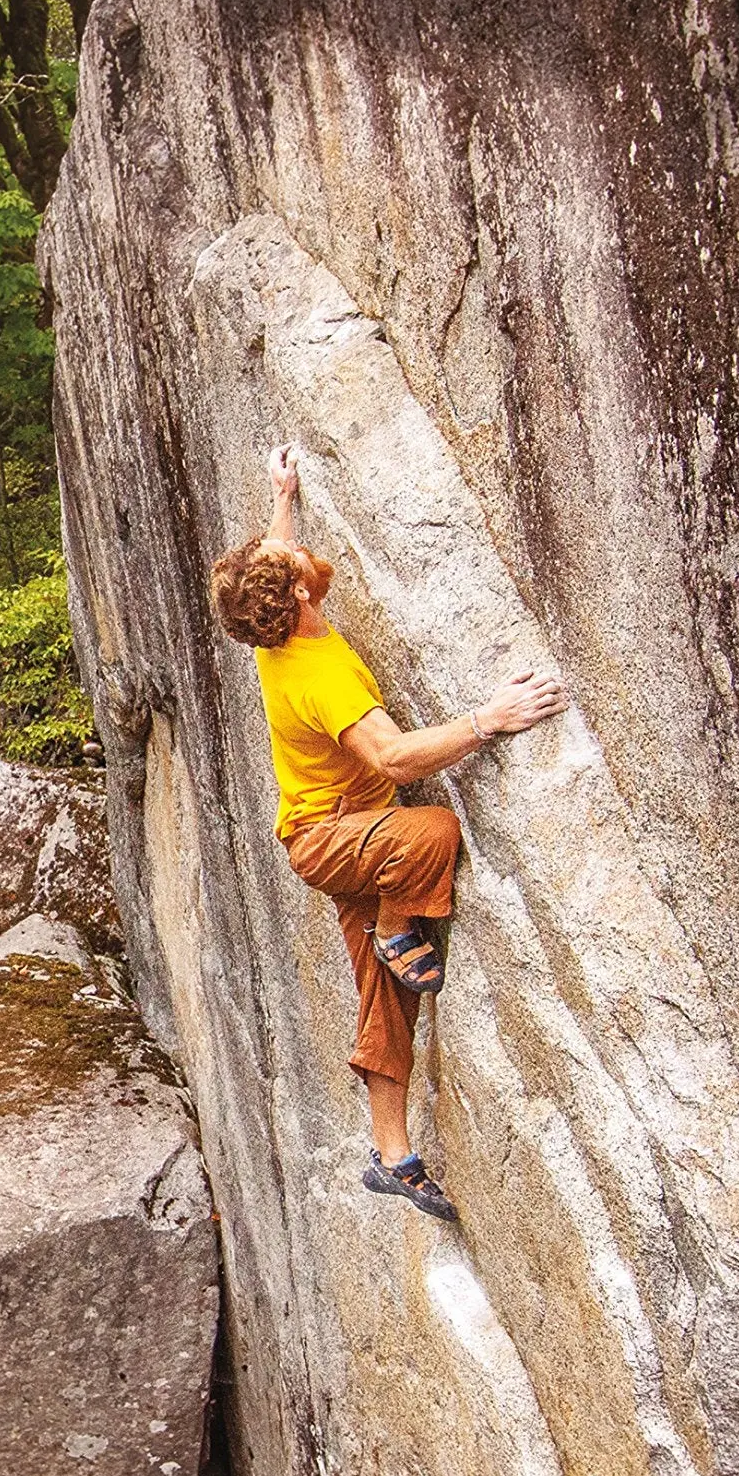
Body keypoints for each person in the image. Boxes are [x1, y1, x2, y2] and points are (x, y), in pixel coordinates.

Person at [210, 445, 569, 1222]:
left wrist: (282, 493)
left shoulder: (270, 622)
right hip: (331, 838)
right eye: (301, 564)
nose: (307, 559)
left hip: (348, 830)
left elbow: (269, 557)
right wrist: (489, 720)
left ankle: (391, 1155)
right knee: (432, 830)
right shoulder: (316, 673)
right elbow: (394, 755)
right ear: (300, 594)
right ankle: (396, 923)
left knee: (386, 997)